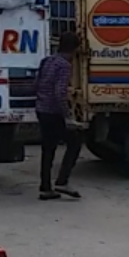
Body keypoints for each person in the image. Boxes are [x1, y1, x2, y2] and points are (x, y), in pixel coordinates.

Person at [36, 26, 82, 201]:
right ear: (74, 49)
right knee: (75, 142)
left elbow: (37, 83)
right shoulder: (64, 65)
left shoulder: (47, 61)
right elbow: (59, 92)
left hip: (41, 109)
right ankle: (62, 181)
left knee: (48, 149)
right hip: (54, 112)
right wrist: (68, 116)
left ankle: (45, 187)